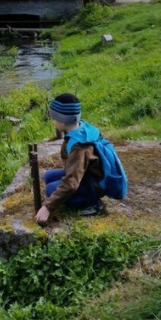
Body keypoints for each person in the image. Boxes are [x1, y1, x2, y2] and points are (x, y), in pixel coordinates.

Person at [35, 93, 105, 225]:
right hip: (88, 176)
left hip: (93, 185)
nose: (52, 121)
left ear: (62, 121)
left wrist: (47, 207)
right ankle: (85, 197)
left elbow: (71, 183)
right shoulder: (79, 128)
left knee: (50, 189)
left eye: (54, 118)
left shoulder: (80, 147)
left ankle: (92, 204)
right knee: (48, 176)